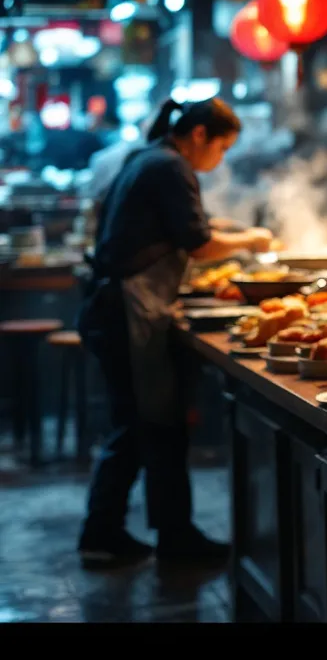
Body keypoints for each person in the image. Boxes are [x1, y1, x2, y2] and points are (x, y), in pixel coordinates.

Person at [76, 98, 273, 569]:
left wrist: (231, 230)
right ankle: (127, 535)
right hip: (129, 311)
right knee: (145, 426)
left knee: (146, 426)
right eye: (222, 148)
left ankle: (138, 533)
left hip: (119, 308)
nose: (219, 160)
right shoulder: (170, 166)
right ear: (200, 135)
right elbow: (200, 244)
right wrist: (251, 240)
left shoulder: (148, 157)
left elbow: (179, 227)